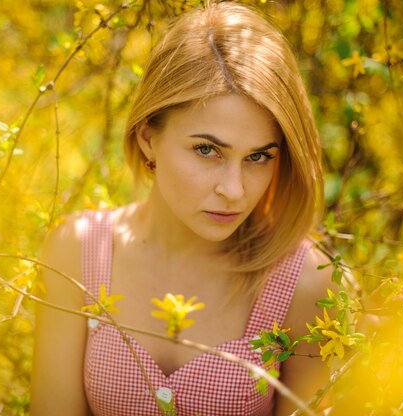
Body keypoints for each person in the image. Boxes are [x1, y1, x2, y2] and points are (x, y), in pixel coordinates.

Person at [30, 2, 333, 415]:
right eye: (207, 150)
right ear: (148, 137)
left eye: (259, 157)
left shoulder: (301, 283)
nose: (234, 189)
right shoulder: (77, 252)